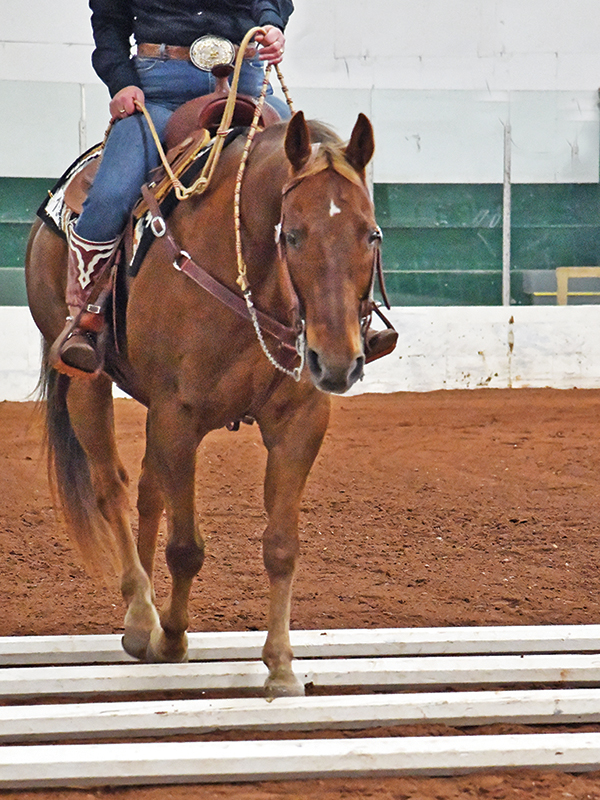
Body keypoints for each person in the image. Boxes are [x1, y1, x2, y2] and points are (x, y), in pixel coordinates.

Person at [52, 0, 294, 376]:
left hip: (244, 80)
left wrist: (272, 24)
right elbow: (109, 22)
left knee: (311, 181)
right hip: (159, 88)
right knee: (111, 195)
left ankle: (334, 318)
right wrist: (122, 82)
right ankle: (86, 316)